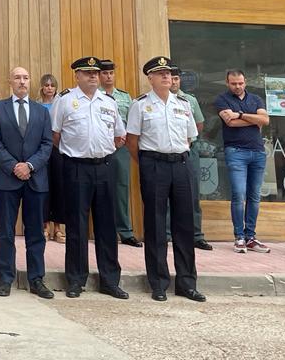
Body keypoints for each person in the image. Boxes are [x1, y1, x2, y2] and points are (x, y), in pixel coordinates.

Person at [126, 56, 205, 302]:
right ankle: (158, 282)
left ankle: (186, 283)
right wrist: (150, 163)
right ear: (150, 78)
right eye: (160, 73)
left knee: (184, 225)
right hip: (154, 165)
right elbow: (132, 141)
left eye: (169, 73)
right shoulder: (140, 105)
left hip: (181, 164)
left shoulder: (183, 104)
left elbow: (191, 137)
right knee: (156, 224)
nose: (166, 77)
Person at [52, 57, 127, 299]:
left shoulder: (109, 103)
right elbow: (55, 136)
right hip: (76, 168)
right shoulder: (65, 101)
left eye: (96, 73)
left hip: (104, 167)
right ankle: (75, 279)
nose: (94, 76)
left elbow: (119, 136)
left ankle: (109, 280)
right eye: (87, 73)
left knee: (106, 226)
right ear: (77, 76)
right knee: (77, 226)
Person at [0, 67, 53, 299]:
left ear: (30, 81)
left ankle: (36, 279)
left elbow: (47, 144)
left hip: (36, 179)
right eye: (17, 77)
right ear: (10, 82)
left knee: (36, 232)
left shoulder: (42, 111)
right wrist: (14, 166)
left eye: (26, 77)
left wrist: (30, 166)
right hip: (8, 178)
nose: (22, 81)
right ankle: (6, 278)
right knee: (6, 232)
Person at [216, 69, 271, 254]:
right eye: (233, 83)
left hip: (257, 151)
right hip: (236, 151)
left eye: (240, 83)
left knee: (254, 196)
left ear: (245, 82)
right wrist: (253, 119)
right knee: (239, 194)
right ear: (227, 83)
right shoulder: (222, 100)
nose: (237, 86)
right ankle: (239, 237)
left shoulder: (255, 99)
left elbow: (264, 120)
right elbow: (229, 122)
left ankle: (251, 237)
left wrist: (239, 115)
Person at [99, 59, 140, 247]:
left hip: (121, 148)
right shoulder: (94, 96)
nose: (108, 76)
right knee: (99, 189)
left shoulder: (124, 97)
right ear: (99, 75)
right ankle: (102, 231)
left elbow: (132, 123)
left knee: (121, 188)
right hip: (99, 148)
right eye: (105, 73)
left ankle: (125, 231)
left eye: (111, 73)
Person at [171, 68, 212, 250]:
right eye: (170, 78)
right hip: (166, 153)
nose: (173, 82)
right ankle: (166, 234)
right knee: (164, 196)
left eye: (176, 78)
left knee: (192, 193)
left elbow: (199, 124)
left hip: (189, 150)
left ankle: (196, 234)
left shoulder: (190, 100)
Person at [39, 73, 65, 244]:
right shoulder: (38, 106)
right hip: (42, 150)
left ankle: (58, 228)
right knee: (43, 187)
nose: (49, 88)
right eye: (46, 85)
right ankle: (45, 226)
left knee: (59, 187)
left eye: (52, 85)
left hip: (58, 149)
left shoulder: (61, 104)